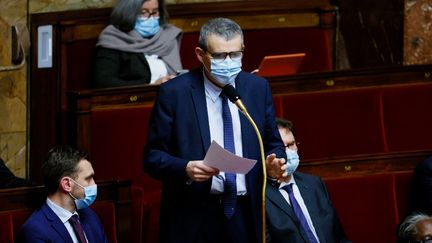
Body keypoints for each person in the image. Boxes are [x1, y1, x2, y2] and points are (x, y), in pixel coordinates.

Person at [142, 17, 286, 243]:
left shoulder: (258, 88)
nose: (228, 61)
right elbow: (152, 157)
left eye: (235, 54)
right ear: (200, 54)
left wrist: (275, 161)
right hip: (194, 214)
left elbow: (272, 141)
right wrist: (185, 168)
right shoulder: (174, 93)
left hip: (246, 212)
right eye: (219, 56)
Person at [266, 118, 350, 243]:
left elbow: (339, 237)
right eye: (281, 147)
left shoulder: (314, 184)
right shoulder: (260, 196)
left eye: (291, 144)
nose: (288, 151)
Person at [17, 146, 108, 243]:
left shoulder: (90, 216)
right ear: (67, 184)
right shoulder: (35, 231)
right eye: (88, 179)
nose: (94, 184)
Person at [93, 0, 183, 88]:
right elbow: (103, 82)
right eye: (144, 12)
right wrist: (151, 86)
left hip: (172, 96)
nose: (151, 18)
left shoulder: (168, 36)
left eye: (155, 12)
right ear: (129, 13)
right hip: (133, 100)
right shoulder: (112, 38)